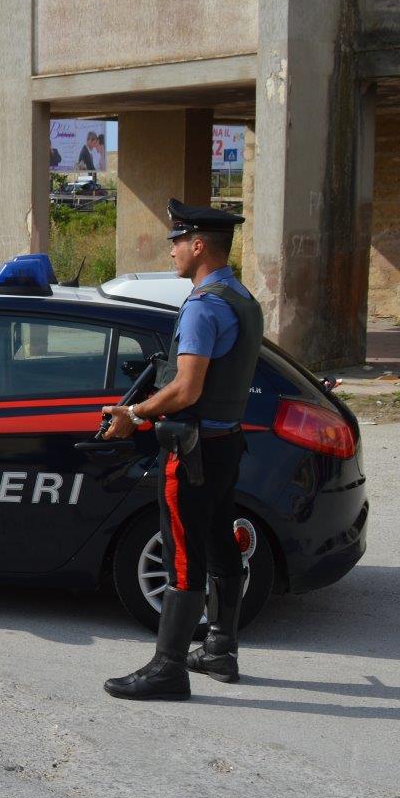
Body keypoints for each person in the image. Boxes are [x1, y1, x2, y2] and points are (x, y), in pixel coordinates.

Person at [100, 198, 263, 702]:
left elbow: (187, 388)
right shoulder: (240, 297)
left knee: (184, 558)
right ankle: (220, 649)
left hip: (193, 450)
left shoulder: (203, 305)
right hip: (225, 443)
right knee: (218, 542)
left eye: (176, 240)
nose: (170, 249)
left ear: (198, 245)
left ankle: (168, 668)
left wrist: (136, 413)